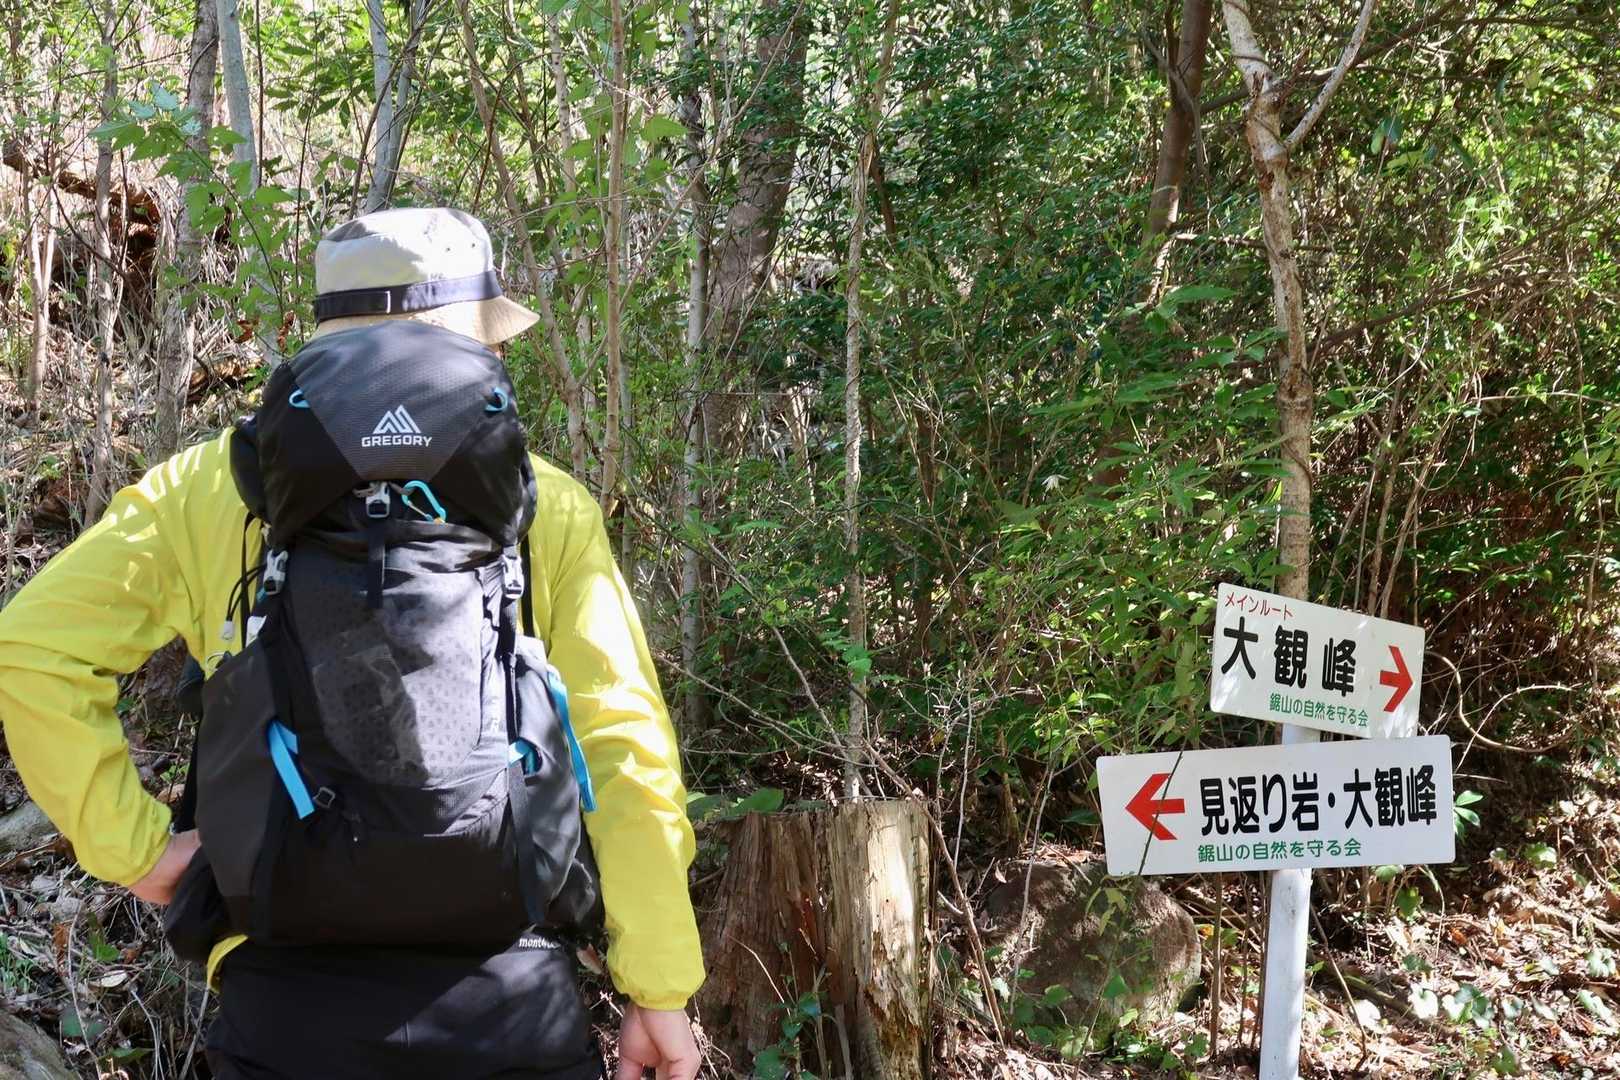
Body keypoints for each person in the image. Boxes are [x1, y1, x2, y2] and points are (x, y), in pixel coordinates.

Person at [0, 208, 705, 1079]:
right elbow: (623, 746)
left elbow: (32, 649)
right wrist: (659, 985)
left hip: (283, 1000)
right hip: (512, 993)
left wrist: (135, 849)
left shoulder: (213, 487)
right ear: (474, 335)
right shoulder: (539, 501)